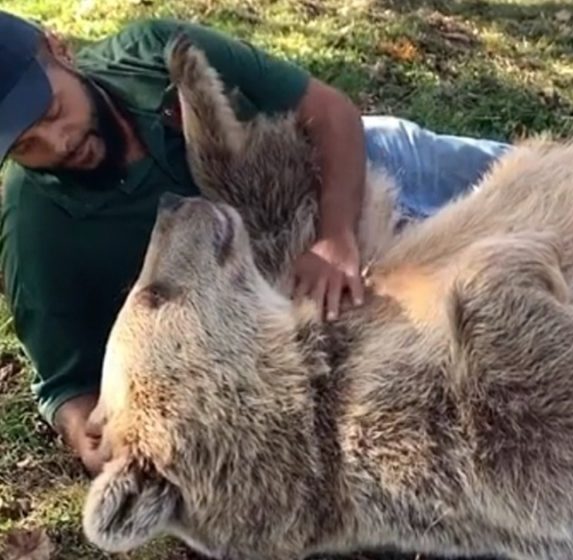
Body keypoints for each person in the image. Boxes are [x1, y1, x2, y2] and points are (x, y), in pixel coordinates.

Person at [0, 11, 511, 475]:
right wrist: (84, 434)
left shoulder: (152, 49)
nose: (57, 143)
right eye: (26, 145)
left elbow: (329, 111)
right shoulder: (34, 226)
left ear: (60, 49)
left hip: (341, 177)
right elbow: (63, 381)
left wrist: (336, 234)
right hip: (289, 301)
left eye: (50, 112)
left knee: (519, 179)